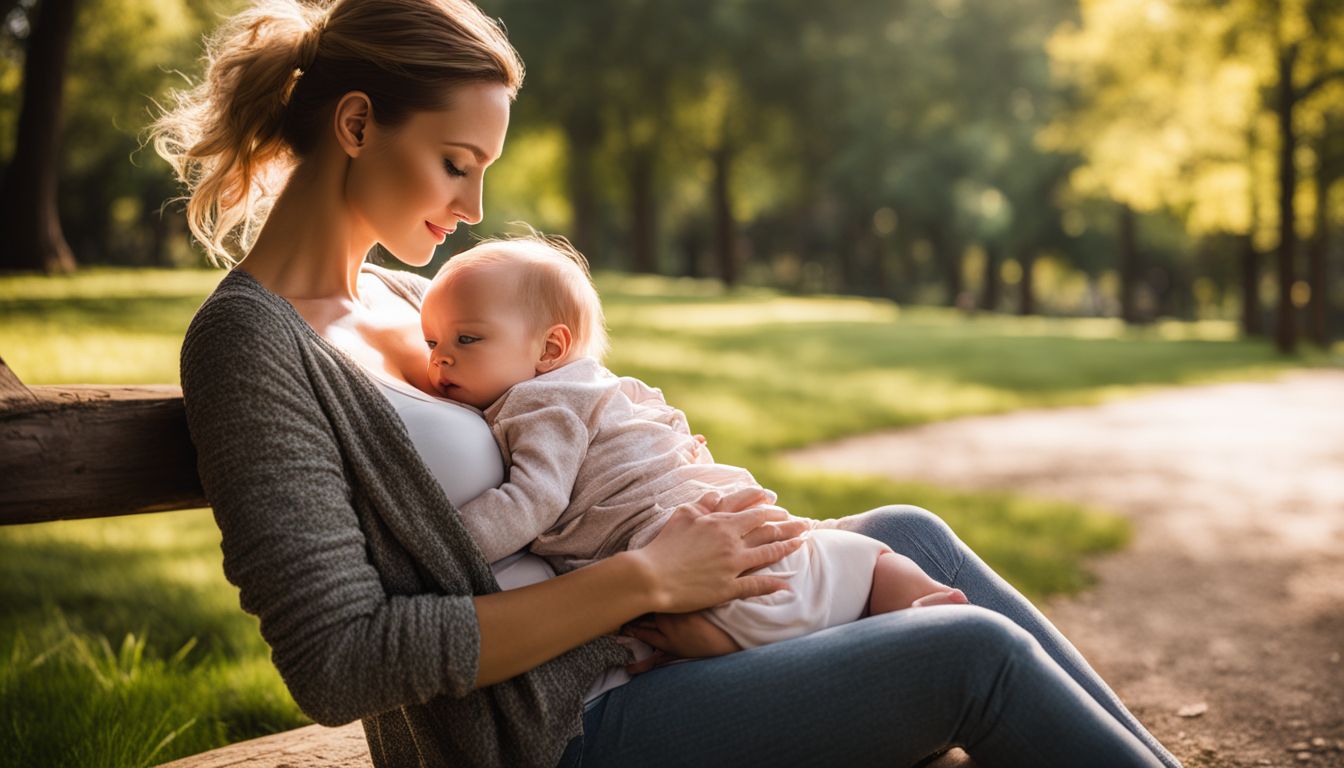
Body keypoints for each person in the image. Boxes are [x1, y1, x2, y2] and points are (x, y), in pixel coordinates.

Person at [152, 0, 1182, 765]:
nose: (472, 206)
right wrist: (646, 581)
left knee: (905, 535)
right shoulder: (252, 346)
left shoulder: (400, 299)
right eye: (456, 161)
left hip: (645, 653)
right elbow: (341, 660)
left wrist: (723, 538)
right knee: (964, 651)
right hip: (550, 730)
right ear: (358, 124)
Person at [416, 234, 968, 656]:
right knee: (867, 558)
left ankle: (719, 647)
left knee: (676, 627)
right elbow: (669, 416)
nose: (440, 357)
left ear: (550, 347)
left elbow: (534, 499)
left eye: (467, 339)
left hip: (686, 557)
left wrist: (440, 544)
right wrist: (681, 447)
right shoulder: (605, 384)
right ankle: (919, 597)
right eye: (432, 342)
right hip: (745, 520)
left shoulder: (541, 404)